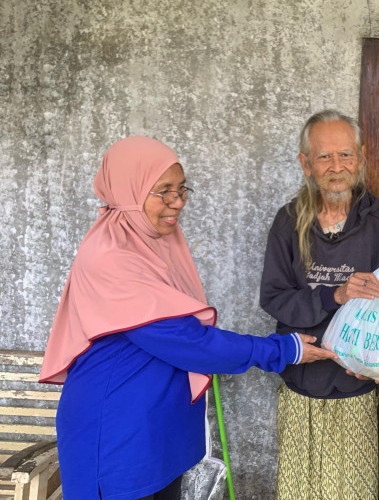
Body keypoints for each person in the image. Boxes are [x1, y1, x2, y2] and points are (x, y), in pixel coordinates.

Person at [39, 136, 336, 500]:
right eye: (163, 191)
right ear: (127, 190)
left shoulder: (151, 241)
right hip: (119, 431)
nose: (177, 202)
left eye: (181, 189)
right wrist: (281, 350)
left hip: (155, 427)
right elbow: (184, 339)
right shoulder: (112, 257)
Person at [260, 110, 379, 500]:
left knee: (350, 491)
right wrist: (333, 295)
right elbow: (273, 297)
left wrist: (377, 363)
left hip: (354, 381)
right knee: (299, 490)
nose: (335, 167)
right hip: (301, 379)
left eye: (345, 155)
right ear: (306, 163)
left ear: (360, 157)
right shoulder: (288, 222)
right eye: (323, 157)